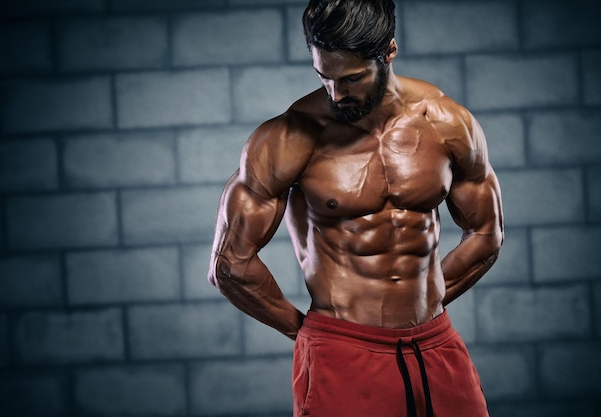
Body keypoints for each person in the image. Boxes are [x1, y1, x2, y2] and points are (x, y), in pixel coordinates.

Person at [208, 0, 503, 416]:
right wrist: (314, 334)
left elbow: (487, 235)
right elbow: (230, 265)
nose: (336, 92)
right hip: (342, 350)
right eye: (323, 76)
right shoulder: (289, 137)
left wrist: (426, 299)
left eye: (352, 78)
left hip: (434, 343)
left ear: (389, 52)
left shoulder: (448, 124)